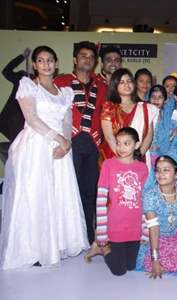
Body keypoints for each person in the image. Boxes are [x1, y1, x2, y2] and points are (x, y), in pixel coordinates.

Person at [0, 46, 88, 269]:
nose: (46, 64)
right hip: (36, 146)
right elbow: (32, 119)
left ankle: (55, 245)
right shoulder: (28, 86)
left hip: (60, 149)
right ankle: (33, 249)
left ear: (56, 63)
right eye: (41, 60)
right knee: (35, 196)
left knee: (59, 194)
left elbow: (67, 121)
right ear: (36, 65)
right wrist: (59, 139)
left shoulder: (65, 92)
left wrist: (66, 143)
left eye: (50, 60)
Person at [54, 41, 108, 244]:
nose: (87, 59)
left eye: (91, 57)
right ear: (75, 59)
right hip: (69, 142)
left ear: (95, 62)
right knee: (66, 191)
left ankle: (87, 235)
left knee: (89, 191)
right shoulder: (61, 82)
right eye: (83, 55)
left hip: (93, 145)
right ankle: (64, 237)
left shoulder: (101, 86)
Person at [85, 127, 148, 275]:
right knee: (119, 271)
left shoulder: (142, 168)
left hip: (135, 226)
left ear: (136, 145)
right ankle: (104, 248)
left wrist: (145, 228)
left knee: (131, 266)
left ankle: (113, 249)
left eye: (127, 143)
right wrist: (101, 230)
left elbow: (146, 199)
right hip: (116, 225)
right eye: (118, 143)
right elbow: (101, 199)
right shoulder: (109, 165)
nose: (121, 148)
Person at [135, 155, 177, 278]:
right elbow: (154, 228)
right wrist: (155, 260)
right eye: (158, 170)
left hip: (175, 235)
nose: (160, 174)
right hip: (154, 238)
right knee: (166, 262)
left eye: (166, 170)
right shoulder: (151, 195)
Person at [100, 68, 158, 169]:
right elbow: (109, 137)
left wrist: (137, 156)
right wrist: (123, 158)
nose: (126, 85)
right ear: (115, 86)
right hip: (113, 158)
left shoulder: (145, 108)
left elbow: (149, 135)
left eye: (129, 81)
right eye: (122, 82)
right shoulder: (109, 107)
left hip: (138, 158)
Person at [0, 48, 30, 145]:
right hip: (12, 118)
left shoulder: (42, 81)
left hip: (28, 122)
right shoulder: (21, 77)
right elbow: (6, 71)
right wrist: (21, 57)